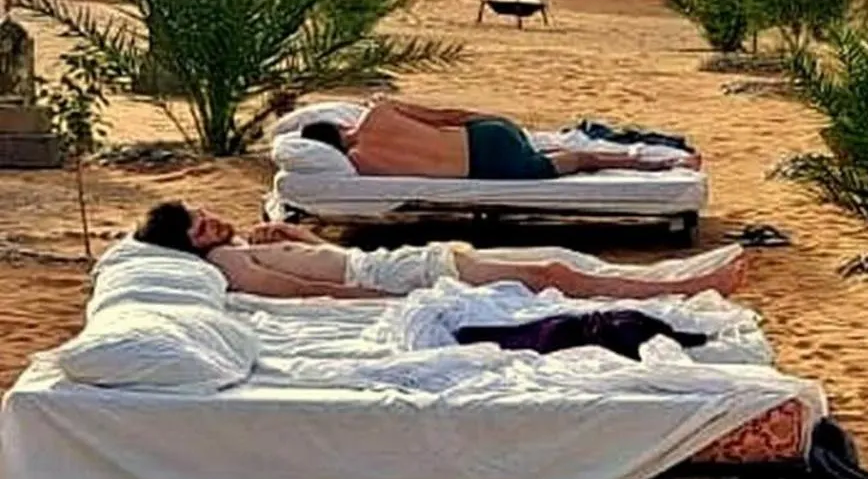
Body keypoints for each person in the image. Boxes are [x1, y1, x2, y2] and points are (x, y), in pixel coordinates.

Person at [132, 202, 746, 302]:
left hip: (406, 259)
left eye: (200, 213)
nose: (209, 221)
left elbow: (317, 260)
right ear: (188, 247)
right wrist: (365, 301)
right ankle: (682, 289)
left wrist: (299, 237)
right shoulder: (226, 264)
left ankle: (670, 274)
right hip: (396, 276)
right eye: (196, 227)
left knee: (556, 254)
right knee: (550, 272)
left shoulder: (243, 243)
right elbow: (291, 291)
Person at [297, 100, 702, 179]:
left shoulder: (362, 166)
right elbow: (445, 116)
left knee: (582, 160)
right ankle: (665, 154)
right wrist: (491, 119)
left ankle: (666, 163)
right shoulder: (379, 111)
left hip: (492, 168)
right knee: (566, 146)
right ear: (336, 124)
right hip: (486, 136)